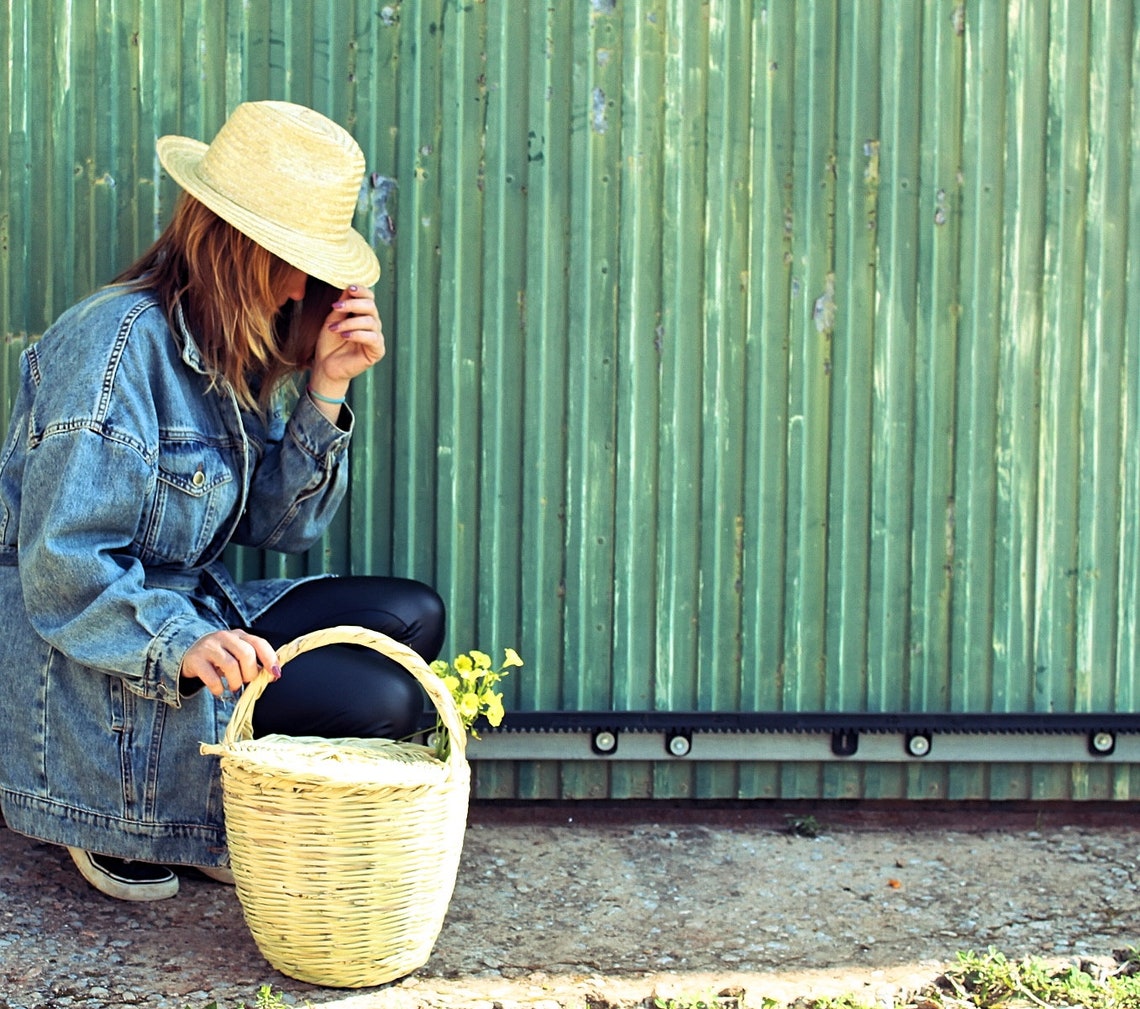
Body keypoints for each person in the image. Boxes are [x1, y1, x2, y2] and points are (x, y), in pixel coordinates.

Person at [0, 101, 445, 901]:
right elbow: (62, 567)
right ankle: (119, 814)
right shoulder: (115, 347)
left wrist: (327, 385)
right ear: (237, 245)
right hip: (105, 660)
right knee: (387, 698)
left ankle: (214, 799)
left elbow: (280, 526)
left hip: (190, 612)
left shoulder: (220, 348)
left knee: (412, 619)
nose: (304, 285)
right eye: (293, 259)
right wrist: (184, 642)